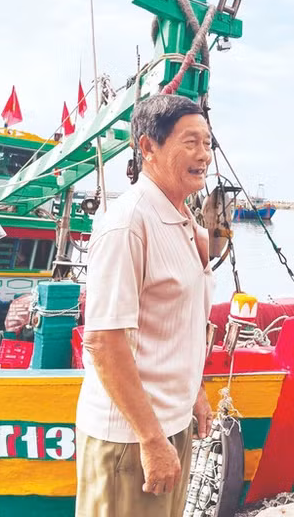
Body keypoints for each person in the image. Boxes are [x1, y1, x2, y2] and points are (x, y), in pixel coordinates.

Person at [75, 94, 215, 517]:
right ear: (148, 147)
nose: (203, 155)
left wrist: (195, 391)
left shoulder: (182, 218)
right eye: (190, 142)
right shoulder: (128, 223)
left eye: (208, 143)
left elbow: (175, 321)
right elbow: (103, 341)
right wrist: (151, 440)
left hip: (169, 425)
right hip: (132, 437)